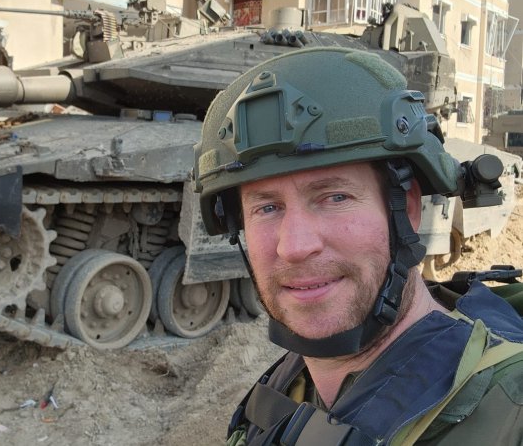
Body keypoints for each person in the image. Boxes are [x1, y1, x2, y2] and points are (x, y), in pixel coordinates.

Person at [192, 48, 523, 445]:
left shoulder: (509, 412)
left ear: (408, 209)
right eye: (267, 207)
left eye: (334, 197)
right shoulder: (286, 390)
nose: (294, 247)